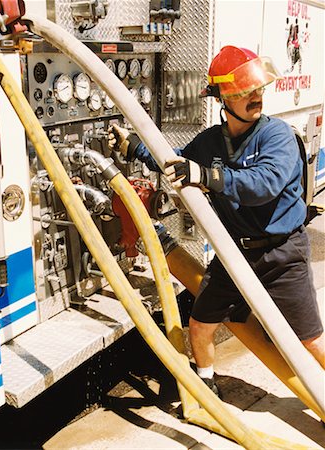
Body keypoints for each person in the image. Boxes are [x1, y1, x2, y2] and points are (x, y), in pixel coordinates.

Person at [108, 46, 325, 395]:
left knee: (309, 340)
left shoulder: (277, 136)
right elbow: (176, 161)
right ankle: (206, 391)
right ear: (223, 97)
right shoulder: (210, 141)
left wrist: (207, 176)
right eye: (244, 92)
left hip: (282, 256)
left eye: (258, 89)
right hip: (234, 254)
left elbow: (263, 185)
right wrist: (134, 147)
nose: (255, 97)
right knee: (200, 324)